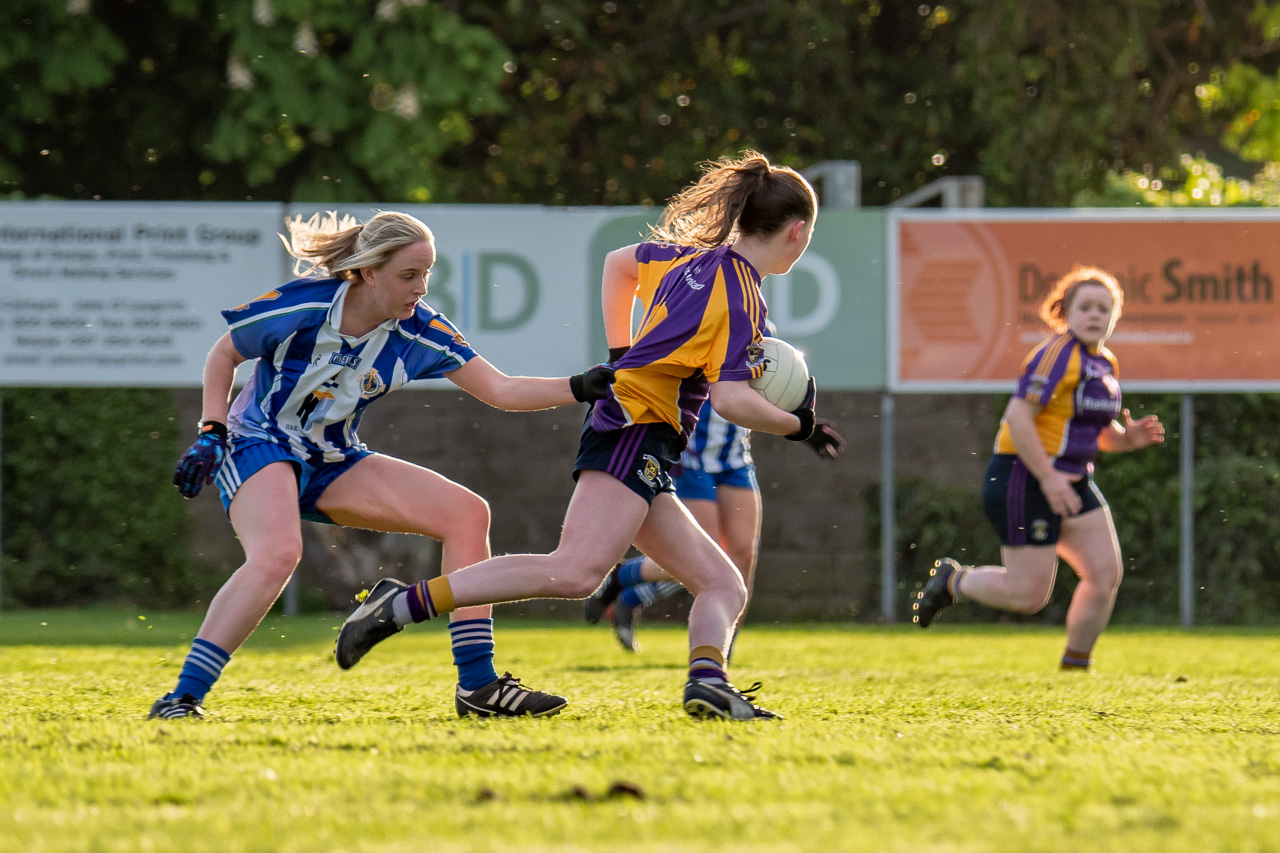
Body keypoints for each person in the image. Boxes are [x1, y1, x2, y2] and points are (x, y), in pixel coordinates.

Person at [336, 151, 842, 720]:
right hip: (636, 430)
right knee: (576, 571)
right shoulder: (745, 296)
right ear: (796, 232)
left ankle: (708, 684)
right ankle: (399, 605)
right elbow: (730, 399)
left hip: (644, 434)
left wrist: (621, 351)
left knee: (723, 584)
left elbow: (618, 264)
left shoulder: (691, 259)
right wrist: (797, 424)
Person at [152, 210, 614, 720]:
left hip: (333, 458)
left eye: (427, 274)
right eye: (409, 275)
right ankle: (181, 698)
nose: (421, 288)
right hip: (258, 443)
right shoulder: (305, 305)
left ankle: (478, 688)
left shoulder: (422, 331)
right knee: (278, 554)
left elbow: (500, 389)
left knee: (466, 514)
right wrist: (211, 430)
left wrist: (580, 386)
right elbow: (223, 355)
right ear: (368, 272)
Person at [912, 266, 1165, 671]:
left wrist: (1127, 438)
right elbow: (1018, 416)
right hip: (1023, 475)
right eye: (1085, 306)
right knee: (1028, 597)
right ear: (1066, 312)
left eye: (1104, 308)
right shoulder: (1057, 353)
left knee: (1105, 573)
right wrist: (1047, 479)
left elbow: (1100, 435)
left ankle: (1075, 666)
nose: (1094, 315)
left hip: (1072, 478)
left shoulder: (1105, 364)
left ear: (1115, 318)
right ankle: (953, 581)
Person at [584, 396, 844, 654]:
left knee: (743, 555)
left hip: (735, 460)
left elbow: (759, 390)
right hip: (691, 459)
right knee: (703, 557)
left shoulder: (754, 355)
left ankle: (721, 659)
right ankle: (625, 581)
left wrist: (798, 425)